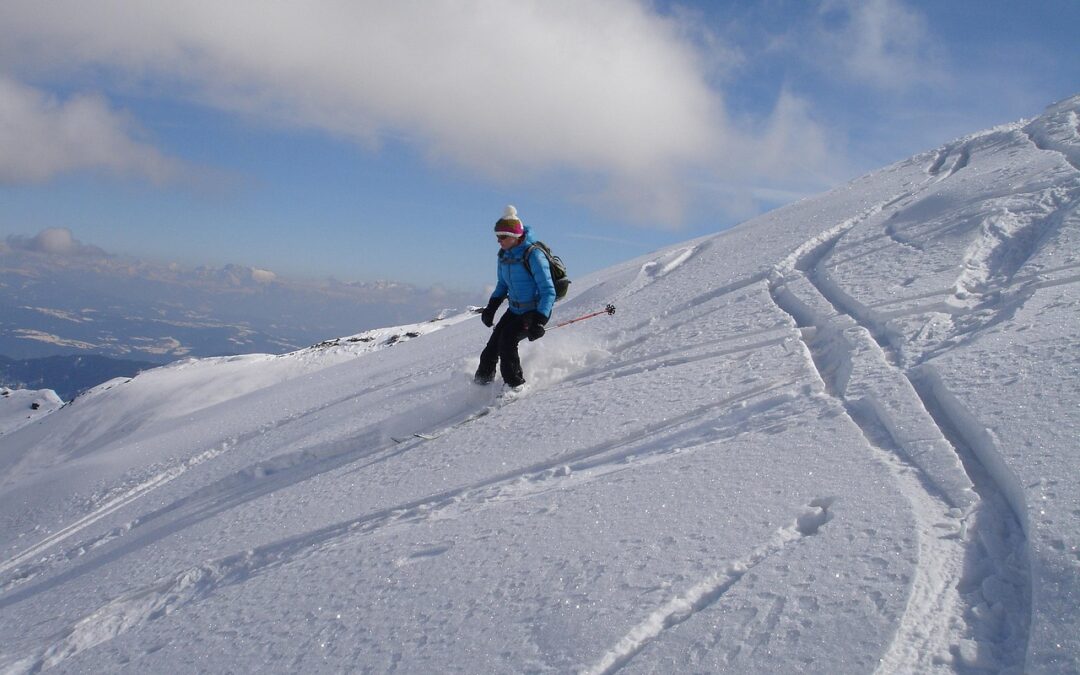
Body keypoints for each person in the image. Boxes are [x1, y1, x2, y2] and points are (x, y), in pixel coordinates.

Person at [475, 205, 556, 389]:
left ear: (515, 236)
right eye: (497, 236)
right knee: (490, 351)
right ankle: (479, 387)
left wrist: (540, 320)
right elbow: (502, 285)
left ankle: (515, 386)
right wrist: (491, 309)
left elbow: (548, 291)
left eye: (502, 236)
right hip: (514, 309)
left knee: (507, 341)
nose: (499, 240)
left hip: (533, 311)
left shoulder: (534, 255)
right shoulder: (504, 256)